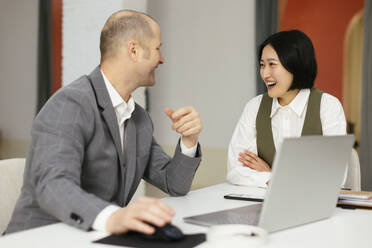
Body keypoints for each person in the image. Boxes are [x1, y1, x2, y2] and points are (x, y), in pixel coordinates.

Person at [5, 10, 203, 235]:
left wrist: (189, 141)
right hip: (39, 239)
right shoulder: (70, 104)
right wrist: (114, 217)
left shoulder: (139, 119)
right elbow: (53, 184)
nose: (162, 58)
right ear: (134, 50)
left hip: (94, 238)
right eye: (158, 48)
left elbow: (174, 183)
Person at [227, 30, 346, 188]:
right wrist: (277, 179)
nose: (265, 74)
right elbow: (235, 170)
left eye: (272, 65)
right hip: (261, 206)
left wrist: (271, 175)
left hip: (315, 208)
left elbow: (335, 176)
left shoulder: (328, 106)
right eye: (262, 65)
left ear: (295, 66)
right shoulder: (254, 107)